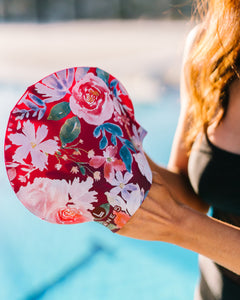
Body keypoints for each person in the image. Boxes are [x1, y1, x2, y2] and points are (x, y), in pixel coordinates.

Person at [117, 0, 240, 299]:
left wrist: (177, 226)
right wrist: (128, 155)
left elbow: (183, 216)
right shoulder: (209, 48)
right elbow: (191, 192)